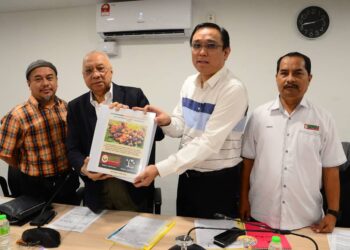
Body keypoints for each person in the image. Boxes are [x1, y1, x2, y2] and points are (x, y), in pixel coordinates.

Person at [134, 22, 248, 219]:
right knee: (187, 234)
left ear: (226, 52)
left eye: (211, 45)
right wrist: (166, 121)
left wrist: (159, 169)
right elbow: (182, 128)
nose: (202, 52)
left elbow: (209, 143)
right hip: (188, 176)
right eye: (196, 45)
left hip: (218, 182)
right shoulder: (189, 83)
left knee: (214, 241)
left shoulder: (233, 89)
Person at [240, 52, 346, 233]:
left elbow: (331, 169)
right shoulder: (259, 116)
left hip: (307, 220)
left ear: (309, 78)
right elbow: (248, 162)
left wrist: (333, 213)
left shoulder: (323, 119)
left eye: (298, 73)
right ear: (276, 77)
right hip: (261, 216)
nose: (290, 79)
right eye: (284, 73)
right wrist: (243, 199)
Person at [66, 51, 164, 213]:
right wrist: (84, 168)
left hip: (133, 189)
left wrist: (131, 118)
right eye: (89, 71)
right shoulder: (76, 106)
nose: (96, 75)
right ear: (83, 76)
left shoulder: (134, 95)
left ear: (111, 71)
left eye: (100, 68)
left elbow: (158, 135)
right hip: (97, 191)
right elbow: (72, 149)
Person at [0, 60, 80, 205]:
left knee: (68, 224)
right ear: (28, 83)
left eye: (50, 78)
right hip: (34, 187)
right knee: (35, 225)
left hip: (66, 181)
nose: (45, 83)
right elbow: (5, 154)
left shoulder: (67, 108)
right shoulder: (17, 115)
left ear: (56, 81)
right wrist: (28, 165)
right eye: (38, 79)